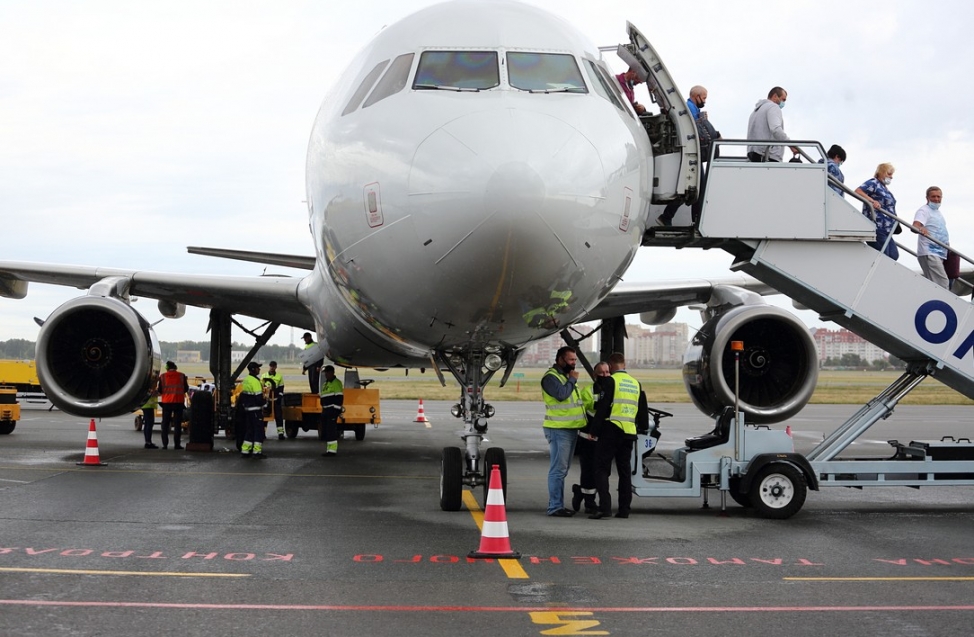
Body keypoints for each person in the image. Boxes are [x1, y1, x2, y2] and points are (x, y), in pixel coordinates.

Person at [588, 352, 649, 520]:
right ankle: (624, 510)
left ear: (612, 366)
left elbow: (603, 408)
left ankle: (605, 508)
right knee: (625, 472)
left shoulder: (610, 381)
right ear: (624, 364)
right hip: (629, 432)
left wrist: (593, 431)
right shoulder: (636, 384)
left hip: (611, 429)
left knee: (601, 468)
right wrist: (641, 428)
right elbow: (643, 413)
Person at [657, 85, 721, 226]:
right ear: (696, 96)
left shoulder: (692, 109)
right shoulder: (689, 109)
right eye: (704, 98)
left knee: (695, 187)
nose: (705, 101)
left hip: (693, 153)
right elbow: (697, 131)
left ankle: (677, 217)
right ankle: (683, 218)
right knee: (696, 187)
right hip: (691, 154)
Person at [540, 346, 587, 517]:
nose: (574, 363)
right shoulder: (551, 378)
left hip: (570, 429)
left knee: (562, 469)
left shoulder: (564, 376)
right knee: (558, 470)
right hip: (558, 430)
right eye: (571, 360)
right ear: (560, 359)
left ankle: (557, 504)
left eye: (575, 360)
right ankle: (555, 507)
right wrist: (572, 381)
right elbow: (561, 395)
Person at [570, 361, 610, 514]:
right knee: (588, 471)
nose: (605, 375)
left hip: (604, 439)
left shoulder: (612, 389)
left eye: (607, 372)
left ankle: (583, 493)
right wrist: (603, 401)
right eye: (602, 373)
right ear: (595, 375)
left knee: (600, 472)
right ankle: (589, 502)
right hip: (588, 438)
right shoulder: (588, 391)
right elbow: (590, 406)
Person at [855, 162, 899, 261]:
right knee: (885, 256)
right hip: (877, 225)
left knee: (893, 255)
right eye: (889, 174)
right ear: (882, 172)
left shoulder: (885, 188)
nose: (891, 177)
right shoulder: (873, 183)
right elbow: (858, 191)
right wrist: (872, 201)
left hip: (887, 229)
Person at [913, 186, 950, 288]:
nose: (936, 199)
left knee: (937, 283)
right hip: (929, 252)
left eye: (939, 197)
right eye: (933, 196)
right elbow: (915, 225)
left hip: (940, 253)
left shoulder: (937, 212)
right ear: (927, 198)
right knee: (942, 283)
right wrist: (921, 228)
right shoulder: (924, 210)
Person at [746, 87, 795, 162]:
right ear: (775, 96)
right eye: (783, 99)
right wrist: (791, 145)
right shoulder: (773, 107)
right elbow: (776, 130)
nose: (783, 103)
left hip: (754, 155)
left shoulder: (756, 111)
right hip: (767, 156)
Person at [158, 361, 189, 450]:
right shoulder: (181, 375)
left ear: (167, 368)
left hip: (167, 403)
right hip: (178, 402)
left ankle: (165, 445)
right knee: (177, 424)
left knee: (165, 424)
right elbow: (186, 389)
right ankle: (177, 444)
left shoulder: (162, 376)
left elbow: (160, 390)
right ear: (175, 367)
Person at [239, 361, 267, 458]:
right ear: (253, 369)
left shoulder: (246, 380)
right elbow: (259, 398)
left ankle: (245, 451)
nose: (259, 369)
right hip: (255, 410)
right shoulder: (255, 381)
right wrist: (265, 402)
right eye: (258, 368)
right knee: (258, 431)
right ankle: (257, 452)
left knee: (250, 430)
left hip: (248, 410)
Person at [319, 365, 344, 457]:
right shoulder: (325, 384)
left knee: (331, 430)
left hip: (332, 411)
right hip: (326, 410)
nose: (326, 374)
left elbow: (339, 399)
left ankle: (332, 450)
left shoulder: (336, 383)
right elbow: (323, 397)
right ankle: (329, 449)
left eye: (327, 372)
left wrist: (335, 411)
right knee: (326, 430)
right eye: (325, 373)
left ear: (332, 372)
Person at [261, 360, 285, 440]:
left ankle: (280, 433)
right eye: (271, 366)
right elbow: (261, 387)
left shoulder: (279, 376)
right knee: (265, 416)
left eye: (273, 366)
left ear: (276, 367)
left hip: (275, 400)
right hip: (267, 400)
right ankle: (263, 433)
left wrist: (279, 397)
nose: (272, 368)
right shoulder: (264, 376)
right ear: (269, 366)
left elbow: (281, 388)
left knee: (279, 416)